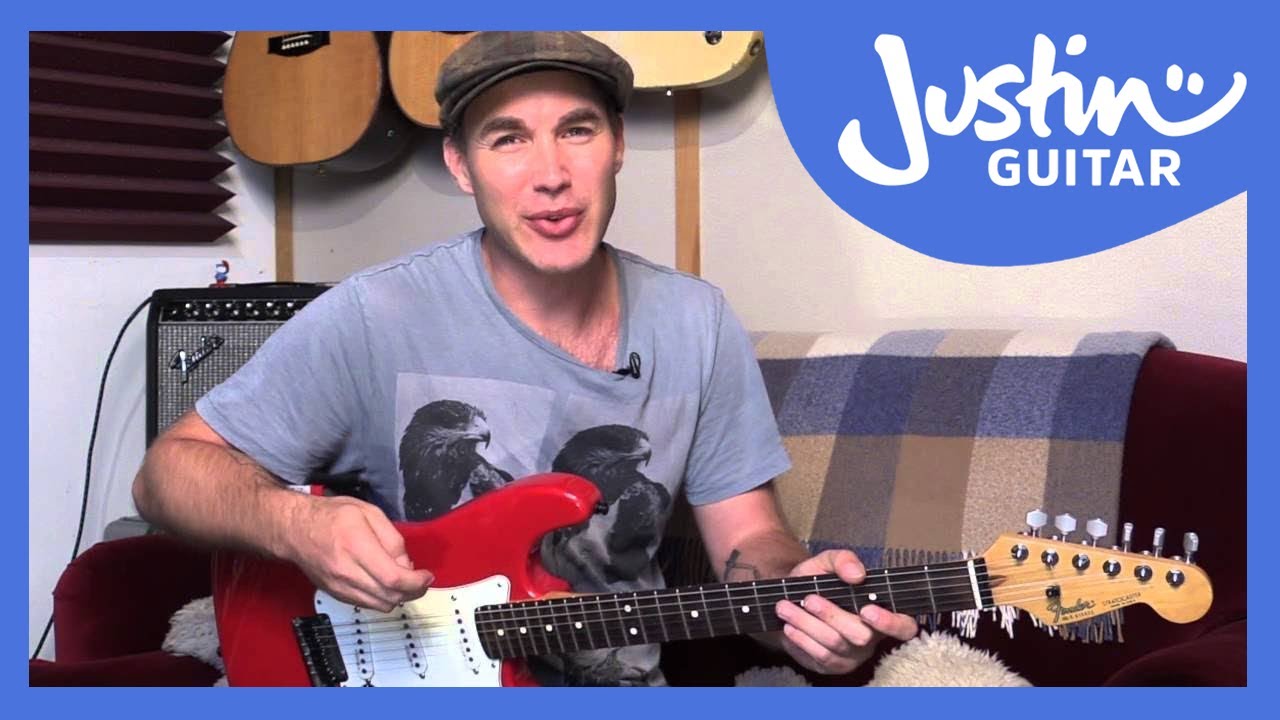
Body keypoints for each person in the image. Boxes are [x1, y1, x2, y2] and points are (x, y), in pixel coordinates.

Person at [133, 31, 918, 686]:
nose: (550, 176)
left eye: (577, 130)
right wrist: (295, 524)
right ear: (460, 165)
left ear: (617, 145)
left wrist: (798, 605)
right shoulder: (376, 314)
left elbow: (752, 542)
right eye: (508, 138)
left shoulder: (697, 321)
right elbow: (167, 474)